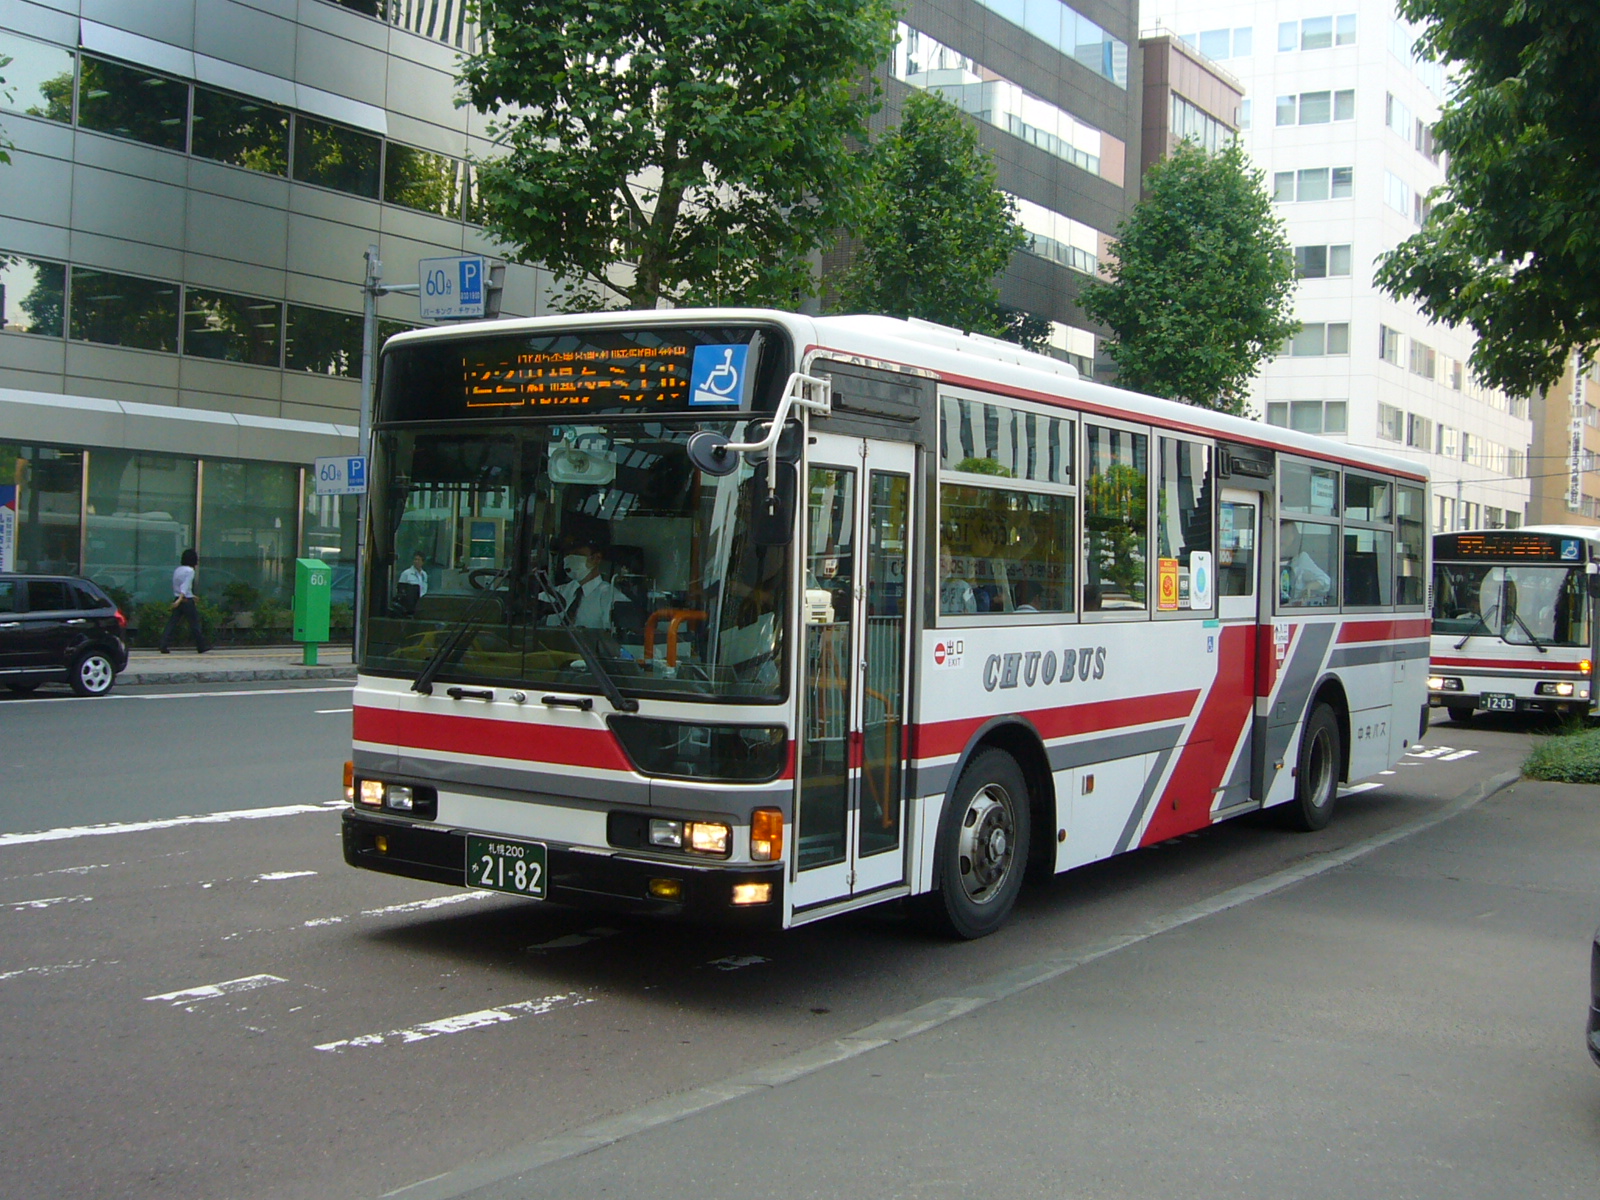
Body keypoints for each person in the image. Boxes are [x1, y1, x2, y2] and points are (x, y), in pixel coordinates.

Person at [546, 538, 627, 631]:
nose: (570, 559)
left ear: (596, 559)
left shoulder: (611, 598)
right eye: (567, 554)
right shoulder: (556, 593)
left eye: (577, 554)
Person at [160, 548, 209, 654]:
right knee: (195, 624)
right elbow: (185, 586)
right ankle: (201, 646)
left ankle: (163, 644)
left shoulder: (178, 570)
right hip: (186, 601)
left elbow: (178, 586)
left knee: (172, 623)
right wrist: (183, 597)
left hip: (179, 598)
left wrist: (180, 599)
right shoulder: (190, 571)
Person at [1279, 521, 1332, 606]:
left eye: (1288, 533)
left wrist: (1309, 587)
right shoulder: (1266, 555)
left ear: (1294, 536)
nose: (1283, 537)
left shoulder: (1300, 559)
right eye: (1282, 531)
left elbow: (1325, 581)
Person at [939, 547, 977, 615]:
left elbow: (972, 613)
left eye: (945, 556)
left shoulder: (965, 587)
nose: (942, 560)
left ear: (952, 565)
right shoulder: (926, 587)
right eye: (940, 557)